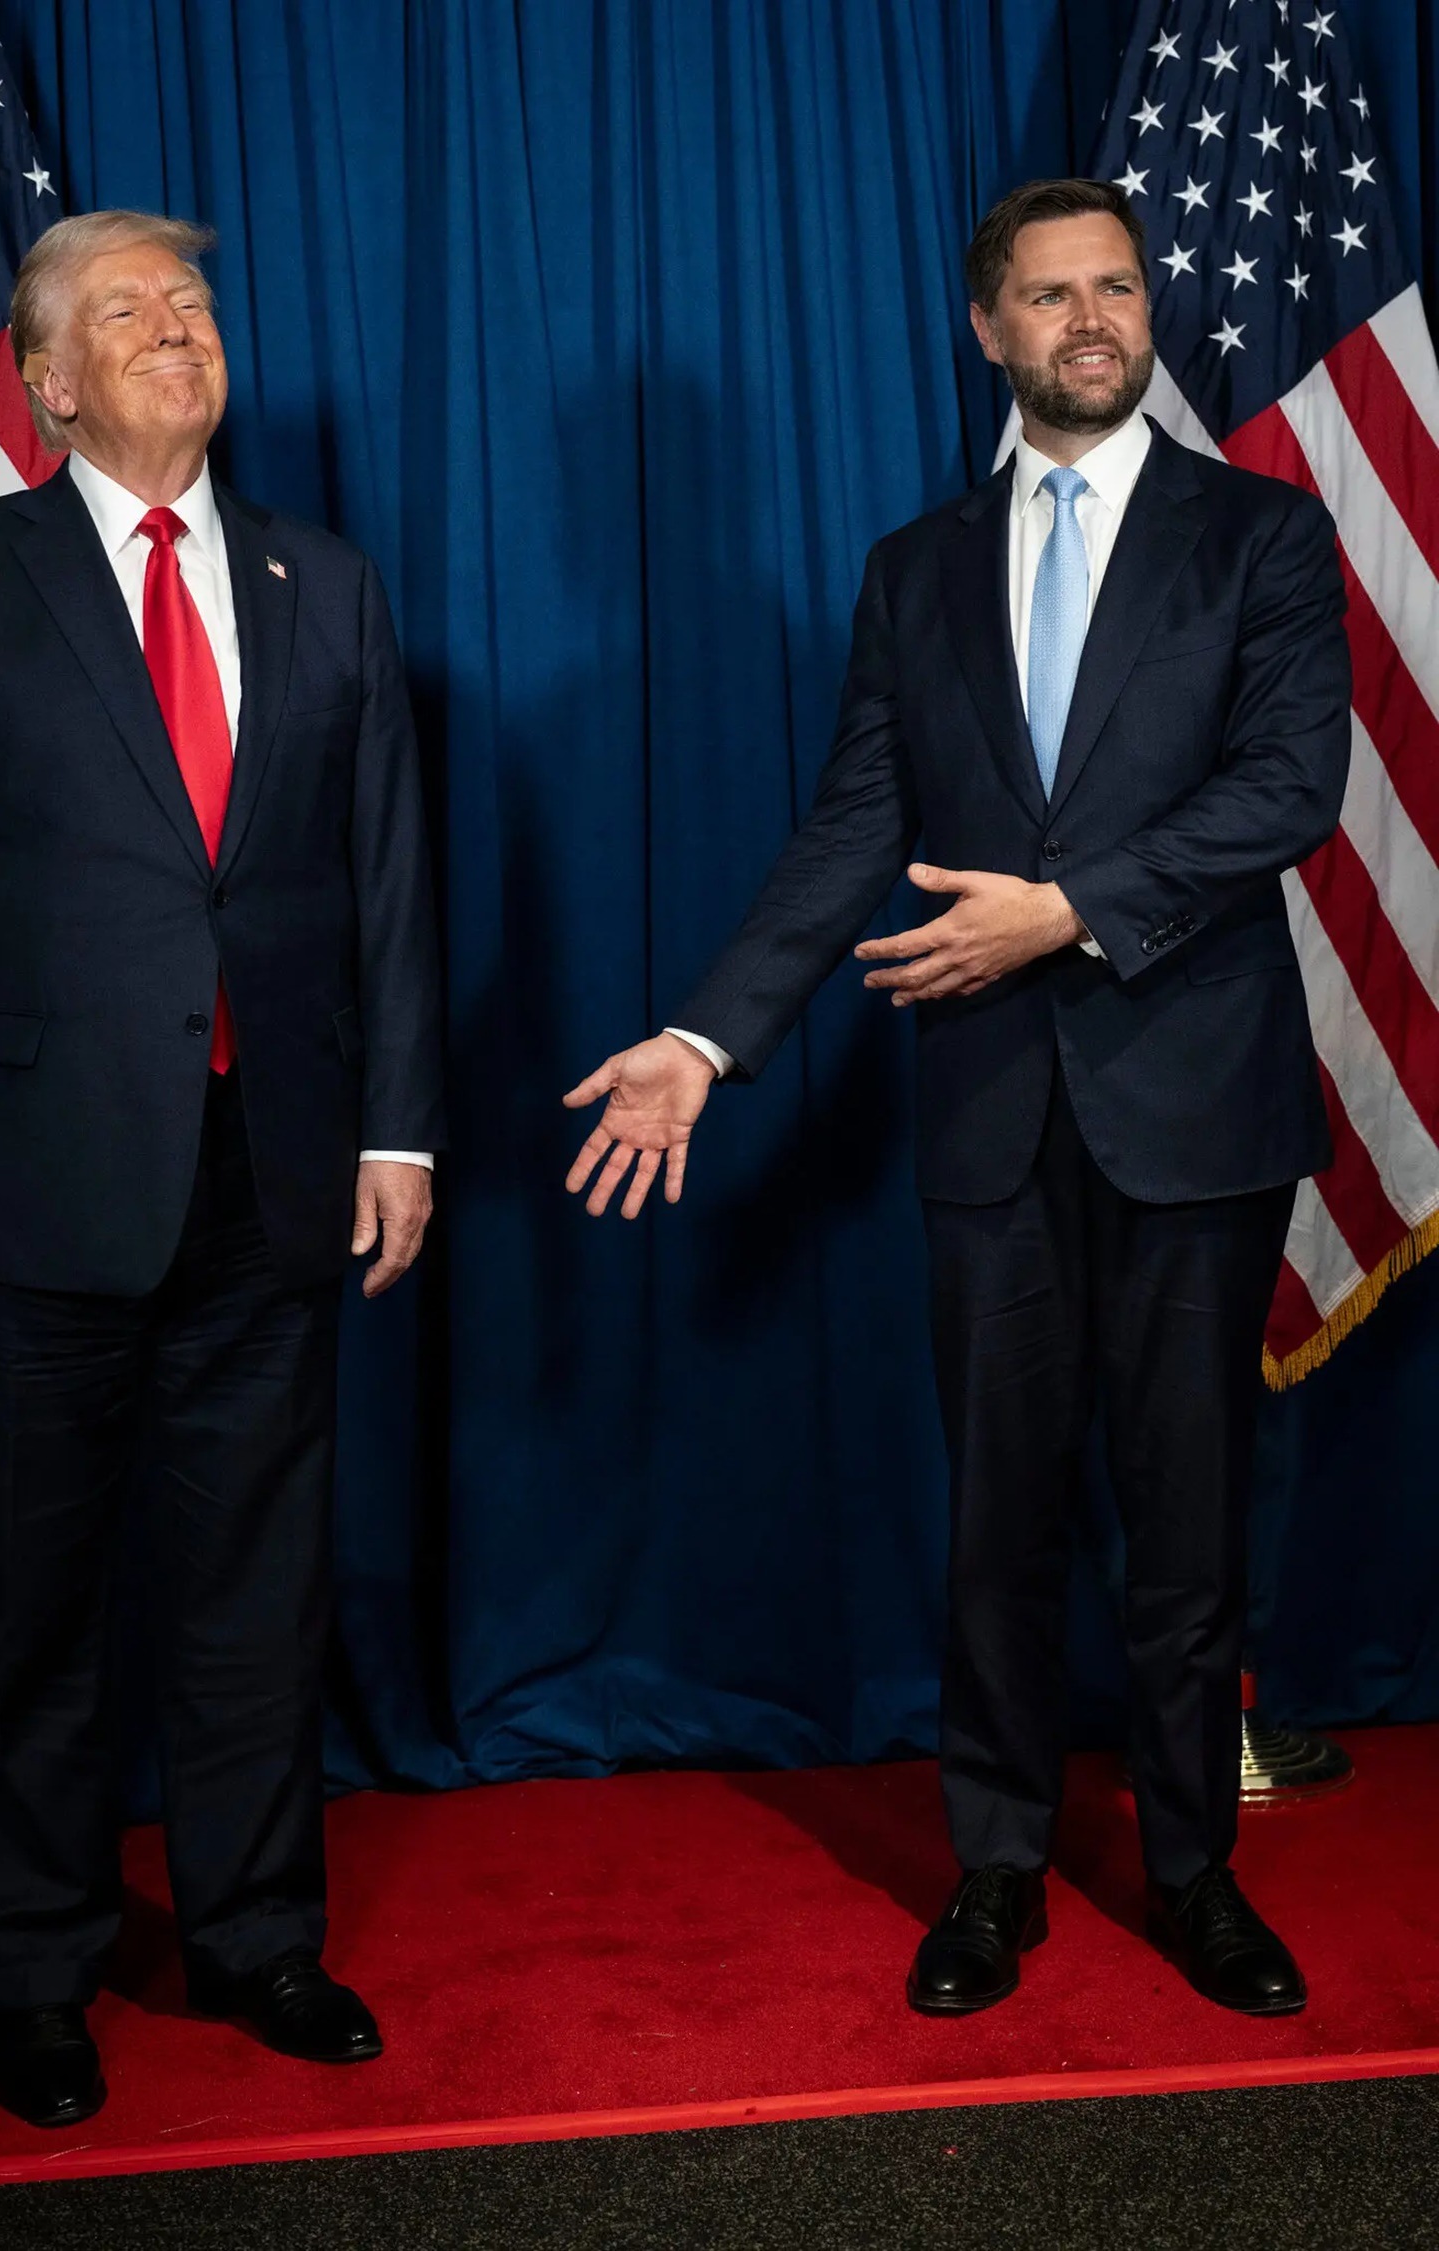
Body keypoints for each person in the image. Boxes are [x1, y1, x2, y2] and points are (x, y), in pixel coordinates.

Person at [565, 178, 1350, 2020]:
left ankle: (1194, 1872)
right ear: (988, 327)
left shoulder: (1263, 534)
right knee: (997, 1519)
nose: (1094, 318)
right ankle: (996, 1866)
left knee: (1186, 1525)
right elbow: (855, 825)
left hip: (1195, 1107)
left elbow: (1288, 788)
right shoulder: (914, 569)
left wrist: (1064, 912)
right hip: (990, 1118)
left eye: (1118, 287)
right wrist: (704, 1042)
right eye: (1052, 294)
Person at [0, 212, 443, 2126]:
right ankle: (38, 1971)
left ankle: (260, 1938)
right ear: (47, 382)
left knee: (257, 1589)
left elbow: (386, 883)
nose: (180, 329)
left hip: (274, 1174)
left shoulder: (324, 580)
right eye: (130, 312)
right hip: (29, 1187)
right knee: (32, 1602)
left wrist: (397, 1128)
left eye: (192, 306)